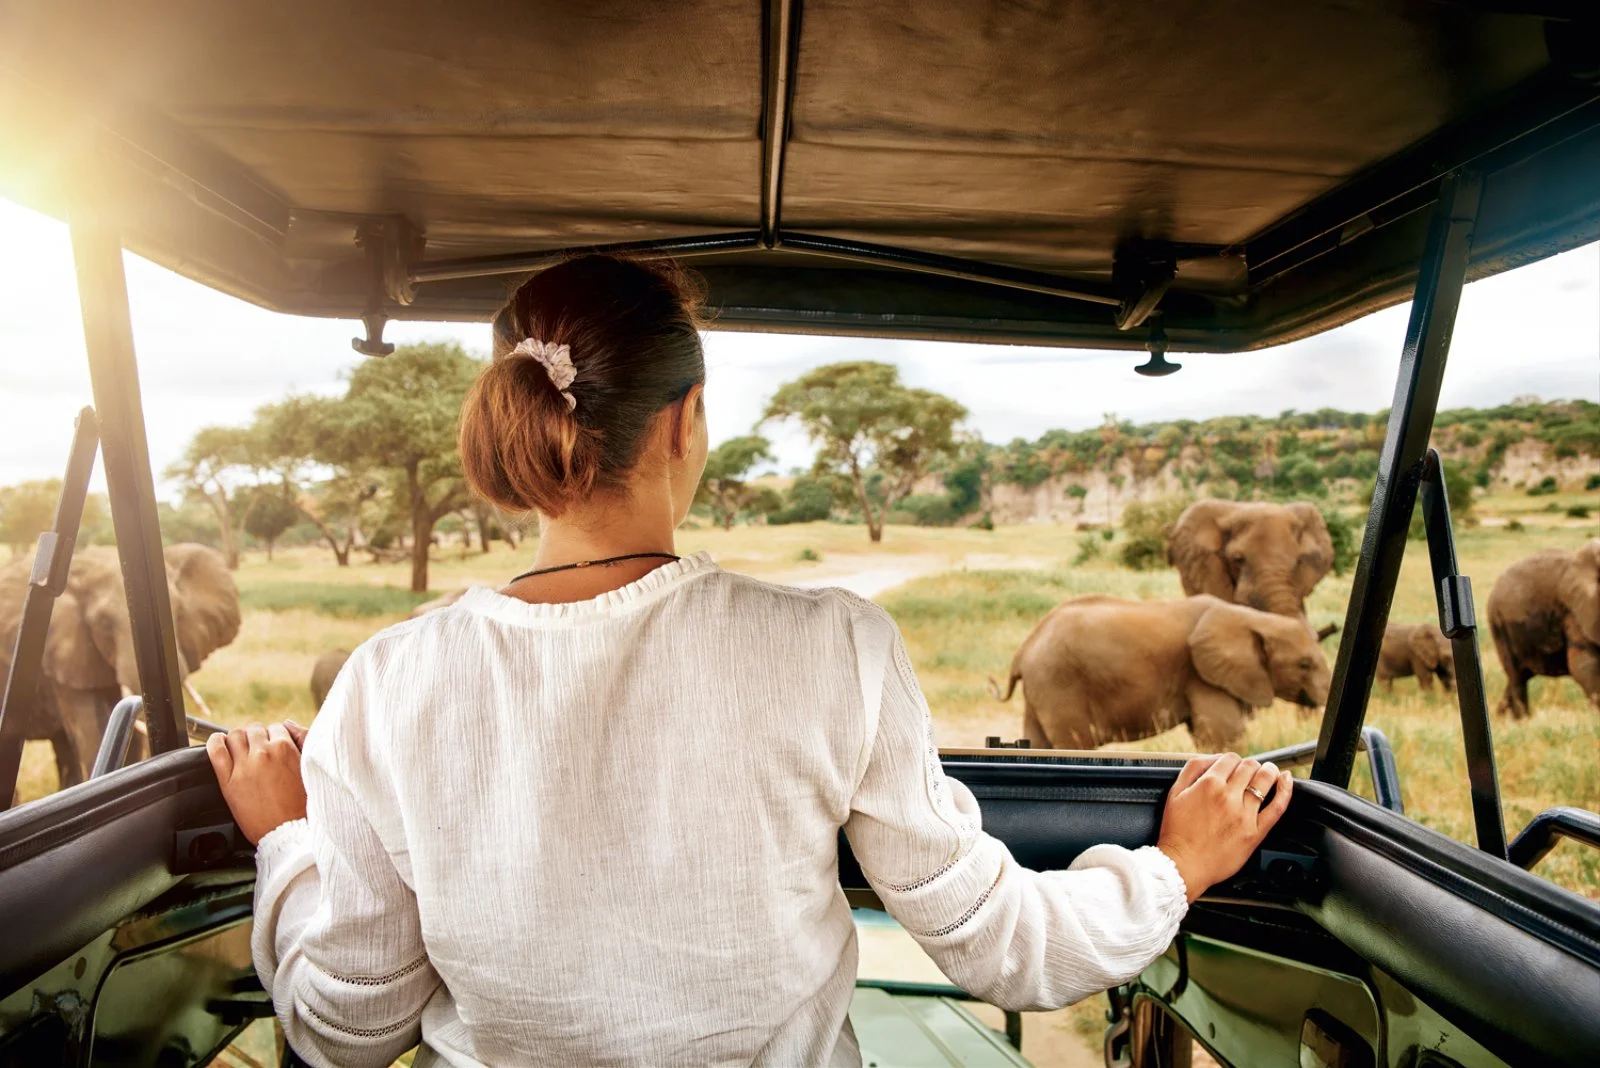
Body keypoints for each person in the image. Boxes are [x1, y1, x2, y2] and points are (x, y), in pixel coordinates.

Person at [207, 255, 1293, 1068]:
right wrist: (1173, 867)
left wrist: (289, 842)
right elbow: (1003, 947)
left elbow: (346, 1031)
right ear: (686, 422)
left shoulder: (386, 682)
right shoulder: (834, 645)